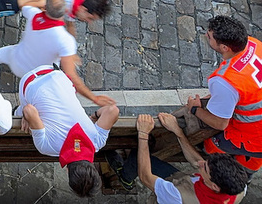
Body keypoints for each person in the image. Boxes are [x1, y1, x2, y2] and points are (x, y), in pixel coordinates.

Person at [0, 0, 116, 107]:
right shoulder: (66, 42)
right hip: (34, 74)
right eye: (90, 17)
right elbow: (71, 75)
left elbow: (25, 2)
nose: (89, 21)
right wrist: (93, 98)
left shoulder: (33, 14)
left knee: (1, 54)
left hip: (17, 57)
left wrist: (43, 2)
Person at [18, 64, 121, 197]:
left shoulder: (97, 141)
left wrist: (94, 116)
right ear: (67, 171)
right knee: (20, 111)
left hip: (56, 73)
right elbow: (29, 110)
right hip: (30, 81)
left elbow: (113, 110)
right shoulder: (46, 148)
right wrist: (28, 118)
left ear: (94, 167)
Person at [106, 112, 250, 199]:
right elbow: (197, 161)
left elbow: (146, 177)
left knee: (141, 160)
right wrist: (177, 131)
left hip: (173, 193)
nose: (200, 164)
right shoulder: (239, 188)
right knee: (141, 156)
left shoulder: (179, 196)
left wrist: (143, 134)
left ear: (214, 186)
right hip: (186, 182)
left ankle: (125, 178)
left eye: (204, 168)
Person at [183, 15, 262, 172]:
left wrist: (195, 109)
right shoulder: (255, 44)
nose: (207, 36)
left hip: (253, 136)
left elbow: (220, 123)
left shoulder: (225, 81)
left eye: (210, 36)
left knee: (211, 144)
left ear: (225, 47)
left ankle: (239, 173)